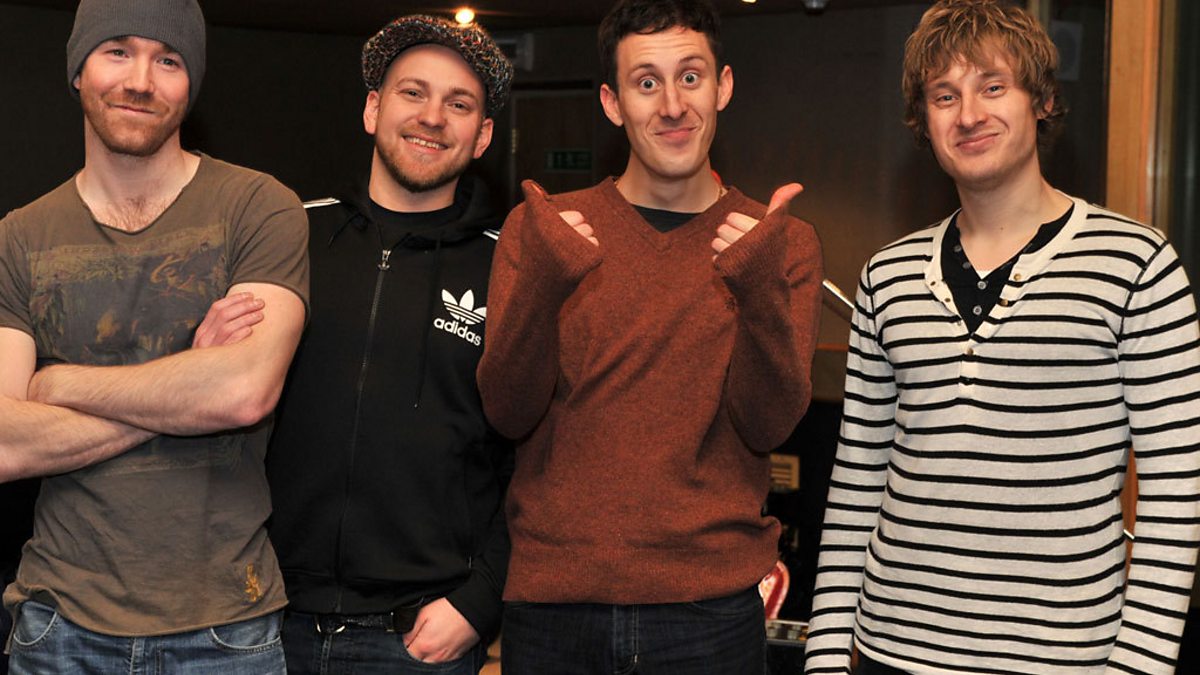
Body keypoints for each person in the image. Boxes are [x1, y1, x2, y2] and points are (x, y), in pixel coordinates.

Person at [804, 1, 1200, 673]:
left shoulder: (1137, 265)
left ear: (1041, 100)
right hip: (889, 651)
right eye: (944, 95)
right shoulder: (887, 274)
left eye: (993, 86)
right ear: (923, 120)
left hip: (1063, 660)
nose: (968, 115)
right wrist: (823, 655)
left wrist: (1137, 666)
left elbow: (1175, 496)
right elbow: (856, 485)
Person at [476, 0, 824, 672]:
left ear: (723, 86)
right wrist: (545, 283)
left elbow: (768, 424)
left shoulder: (778, 242)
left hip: (710, 607)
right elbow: (507, 412)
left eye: (690, 77)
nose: (671, 105)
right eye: (646, 83)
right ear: (613, 103)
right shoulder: (544, 230)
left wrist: (758, 291)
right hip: (556, 605)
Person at [0, 0, 308, 672]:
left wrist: (58, 383)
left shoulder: (259, 208)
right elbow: (3, 442)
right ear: (78, 70)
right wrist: (189, 376)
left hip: (226, 627)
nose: (141, 80)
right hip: (59, 622)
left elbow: (243, 392)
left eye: (168, 60)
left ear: (191, 83)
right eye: (118, 51)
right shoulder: (19, 237)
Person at [263, 15, 514, 675]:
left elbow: (543, 455)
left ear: (483, 135)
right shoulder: (288, 237)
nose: (432, 117)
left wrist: (480, 601)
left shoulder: (512, 267)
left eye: (459, 104)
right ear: (373, 109)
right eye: (413, 93)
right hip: (263, 624)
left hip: (419, 637)